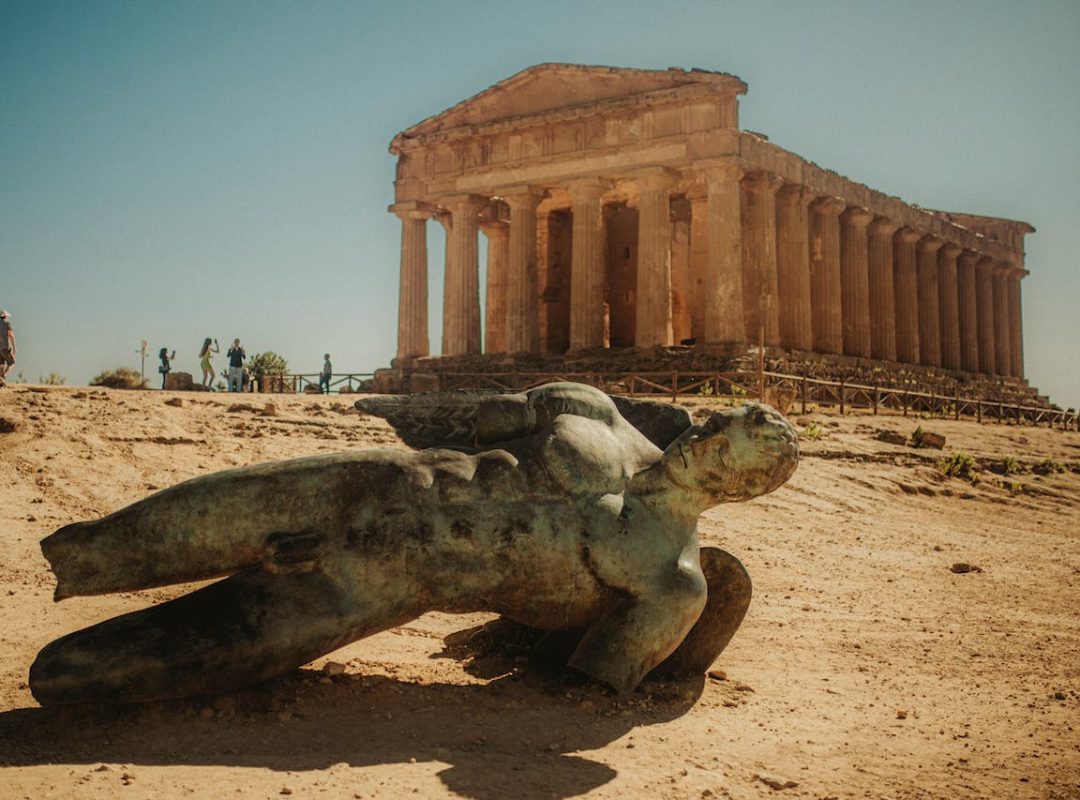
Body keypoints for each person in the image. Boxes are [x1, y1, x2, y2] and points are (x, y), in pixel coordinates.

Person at [31, 383, 798, 704]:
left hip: (383, 587)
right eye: (722, 424)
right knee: (107, 546)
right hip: (385, 484)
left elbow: (586, 679)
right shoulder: (594, 413)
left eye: (733, 451)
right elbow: (481, 420)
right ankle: (81, 559)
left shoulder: (674, 582)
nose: (711, 439)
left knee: (72, 674)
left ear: (746, 488)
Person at [0, 310, 13, 388]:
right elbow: (11, 335)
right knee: (11, 363)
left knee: (1, 365)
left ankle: (1, 381)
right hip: (5, 347)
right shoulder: (7, 324)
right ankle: (2, 377)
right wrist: (14, 347)